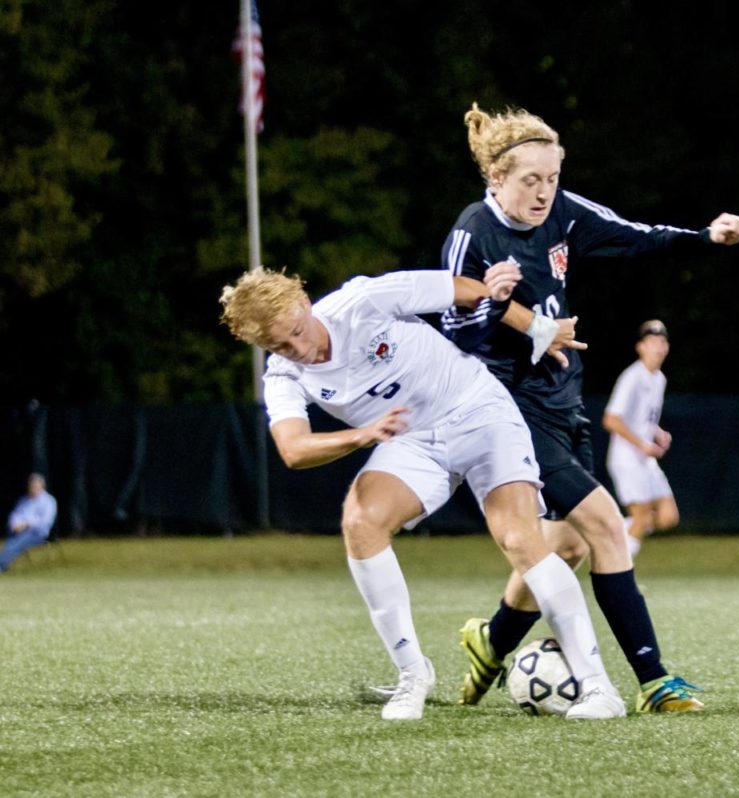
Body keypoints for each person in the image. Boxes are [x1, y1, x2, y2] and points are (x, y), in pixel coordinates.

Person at [439, 102, 739, 713]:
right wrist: (507, 312)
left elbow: (634, 237)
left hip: (563, 402)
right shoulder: (472, 232)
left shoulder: (566, 215)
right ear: (495, 179)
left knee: (568, 548)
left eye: (553, 178)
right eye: (531, 179)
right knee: (607, 525)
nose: (545, 191)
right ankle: (654, 680)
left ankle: (491, 641)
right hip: (509, 410)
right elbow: (448, 327)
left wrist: (706, 237)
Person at [218, 265, 625, 720]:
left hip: (477, 410)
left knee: (518, 538)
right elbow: (293, 449)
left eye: (296, 332)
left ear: (303, 304)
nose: (298, 349)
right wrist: (360, 436)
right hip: (410, 439)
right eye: (278, 346)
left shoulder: (363, 301)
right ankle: (413, 673)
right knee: (361, 521)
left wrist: (538, 328)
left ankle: (598, 688)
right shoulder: (284, 375)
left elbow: (465, 291)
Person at [602, 319, 679, 559]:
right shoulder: (632, 377)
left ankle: (616, 532)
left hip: (644, 460)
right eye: (653, 342)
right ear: (641, 347)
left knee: (668, 517)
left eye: (663, 342)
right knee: (642, 516)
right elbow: (611, 419)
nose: (659, 346)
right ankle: (620, 570)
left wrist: (657, 433)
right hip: (626, 458)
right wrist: (642, 444)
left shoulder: (659, 378)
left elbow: (644, 418)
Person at [0, 473, 58, 573]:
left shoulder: (49, 501)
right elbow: (15, 515)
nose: (33, 488)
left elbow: (46, 521)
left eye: (35, 486)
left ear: (42, 486)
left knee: (15, 543)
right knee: (10, 542)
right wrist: (15, 525)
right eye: (31, 486)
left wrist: (27, 524)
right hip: (19, 531)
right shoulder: (24, 500)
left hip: (38, 533)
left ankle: (1, 565)